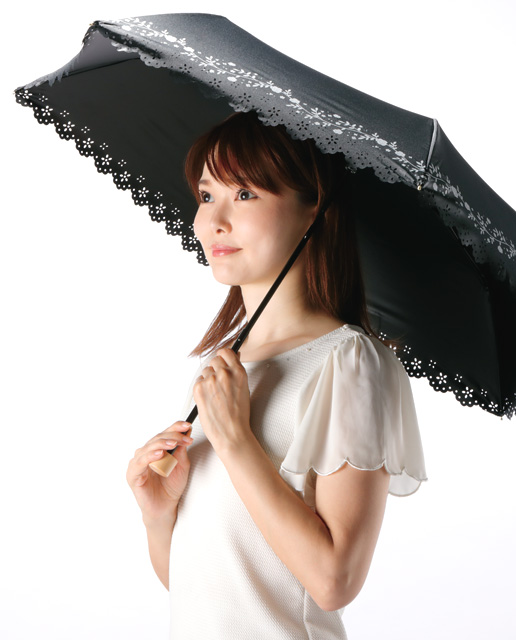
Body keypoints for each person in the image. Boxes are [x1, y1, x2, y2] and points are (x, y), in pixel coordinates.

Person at [126, 111, 427, 639]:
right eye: (206, 195)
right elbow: (204, 589)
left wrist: (236, 441)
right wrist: (158, 516)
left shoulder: (349, 364)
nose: (214, 220)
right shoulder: (222, 369)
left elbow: (334, 580)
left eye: (244, 194)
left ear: (314, 209)